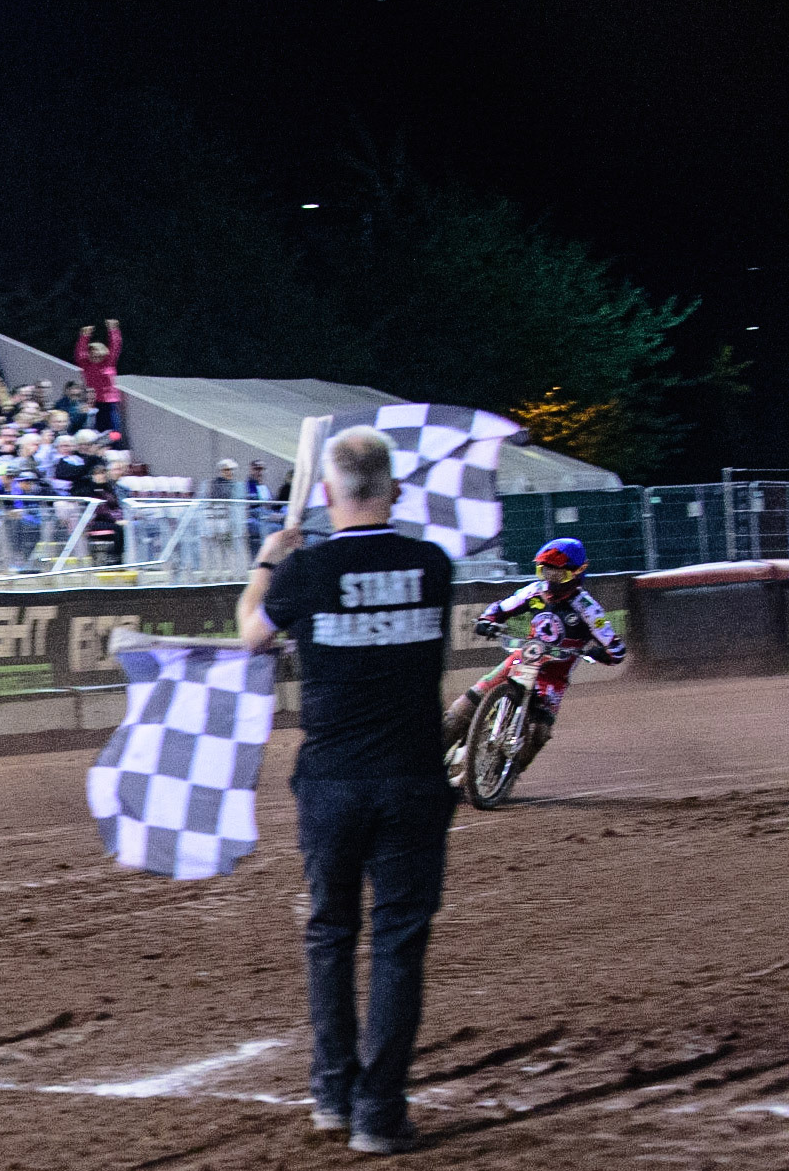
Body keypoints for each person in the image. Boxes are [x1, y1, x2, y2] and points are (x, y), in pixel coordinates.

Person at [236, 426, 455, 1156]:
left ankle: (332, 1092)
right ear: (393, 489)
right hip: (413, 777)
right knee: (397, 941)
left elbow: (249, 636)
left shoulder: (303, 570)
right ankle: (377, 1111)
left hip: (329, 779)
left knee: (329, 933)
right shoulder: (431, 564)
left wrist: (271, 559)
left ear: (326, 494)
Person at [441, 537, 626, 770]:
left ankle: (502, 777)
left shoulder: (588, 609)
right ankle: (425, 766)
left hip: (553, 677)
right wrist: (486, 621)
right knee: (459, 712)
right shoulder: (535, 592)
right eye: (545, 572)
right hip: (521, 659)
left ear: (577, 573)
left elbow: (617, 648)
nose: (551, 580)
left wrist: (602, 653)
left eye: (558, 575)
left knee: (539, 733)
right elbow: (500, 608)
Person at [75, 319, 123, 436]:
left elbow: (115, 347)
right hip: (93, 401)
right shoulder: (85, 364)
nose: (95, 356)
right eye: (93, 354)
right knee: (97, 429)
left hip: (109, 402)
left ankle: (115, 449)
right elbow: (79, 352)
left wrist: (113, 329)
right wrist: (85, 336)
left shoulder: (108, 363)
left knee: (114, 430)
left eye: (98, 354)